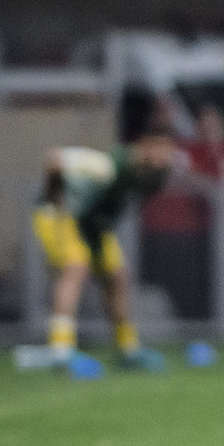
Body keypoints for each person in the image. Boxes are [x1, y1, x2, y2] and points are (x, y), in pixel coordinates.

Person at [22, 88, 178, 372]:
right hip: (59, 214)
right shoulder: (107, 166)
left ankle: (128, 350)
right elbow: (55, 159)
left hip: (91, 225)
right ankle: (60, 350)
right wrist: (55, 198)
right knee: (76, 267)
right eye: (161, 149)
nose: (166, 157)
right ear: (143, 145)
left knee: (117, 275)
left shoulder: (142, 174)